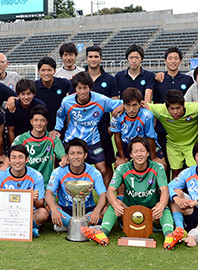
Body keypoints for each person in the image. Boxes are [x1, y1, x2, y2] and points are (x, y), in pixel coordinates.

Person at [81, 138, 184, 250]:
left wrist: (161, 205)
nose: (139, 154)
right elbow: (110, 191)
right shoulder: (123, 168)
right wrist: (115, 205)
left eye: (142, 151)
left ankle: (169, 235)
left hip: (153, 214)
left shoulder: (157, 168)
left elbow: (165, 191)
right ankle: (103, 232)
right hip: (129, 214)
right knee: (117, 203)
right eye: (135, 151)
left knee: (163, 207)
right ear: (130, 154)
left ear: (148, 153)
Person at [55, 71, 122, 182]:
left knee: (103, 169)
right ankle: (65, 194)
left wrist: (123, 105)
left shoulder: (100, 100)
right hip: (72, 140)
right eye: (79, 88)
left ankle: (105, 197)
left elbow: (120, 103)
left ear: (90, 88)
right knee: (67, 168)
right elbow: (60, 116)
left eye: (85, 88)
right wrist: (57, 129)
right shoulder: (67, 101)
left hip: (93, 140)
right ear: (75, 88)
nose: (82, 91)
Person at [0, 144, 48, 238]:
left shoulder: (36, 175)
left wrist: (33, 199)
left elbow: (40, 204)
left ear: (27, 159)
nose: (17, 161)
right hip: (6, 213)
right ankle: (29, 231)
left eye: (21, 157)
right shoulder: (0, 175)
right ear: (9, 160)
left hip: (28, 213)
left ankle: (3, 229)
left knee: (43, 213)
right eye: (13, 157)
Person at [46, 139, 107, 232]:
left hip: (87, 210)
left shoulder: (94, 172)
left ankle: (69, 226)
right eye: (72, 153)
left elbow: (103, 196)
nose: (76, 157)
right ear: (67, 156)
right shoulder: (58, 172)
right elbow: (48, 193)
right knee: (48, 207)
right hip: (66, 210)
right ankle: (87, 228)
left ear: (85, 155)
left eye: (79, 153)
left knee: (106, 209)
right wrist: (54, 208)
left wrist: (97, 210)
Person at [147, 90, 198, 178]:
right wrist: (121, 106)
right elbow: (139, 104)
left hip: (192, 145)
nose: (175, 112)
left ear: (183, 105)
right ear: (166, 107)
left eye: (178, 108)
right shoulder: (160, 110)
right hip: (173, 146)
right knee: (175, 173)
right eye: (172, 109)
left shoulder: (194, 108)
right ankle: (174, 191)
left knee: (193, 173)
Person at [85, 45, 119, 186]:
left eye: (96, 56)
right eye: (90, 56)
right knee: (79, 166)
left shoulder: (110, 80)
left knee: (106, 166)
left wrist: (112, 128)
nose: (93, 59)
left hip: (103, 130)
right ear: (86, 58)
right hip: (83, 132)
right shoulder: (80, 78)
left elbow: (116, 108)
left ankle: (107, 198)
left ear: (101, 58)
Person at [12, 105, 66, 186]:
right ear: (31, 121)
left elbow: (63, 156)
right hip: (26, 183)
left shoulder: (53, 138)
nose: (39, 123)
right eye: (36, 120)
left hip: (46, 185)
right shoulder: (21, 139)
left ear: (46, 122)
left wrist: (64, 160)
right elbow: (9, 158)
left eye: (42, 120)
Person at [110, 87, 161, 169]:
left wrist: (153, 157)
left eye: (134, 105)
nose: (131, 109)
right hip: (126, 143)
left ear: (140, 104)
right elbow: (117, 136)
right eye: (128, 105)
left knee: (161, 166)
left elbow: (150, 137)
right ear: (124, 104)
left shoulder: (147, 116)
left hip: (145, 143)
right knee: (120, 167)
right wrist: (122, 157)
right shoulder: (118, 115)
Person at [35, 56, 72, 131]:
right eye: (43, 70)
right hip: (40, 128)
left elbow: (76, 92)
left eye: (49, 70)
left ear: (54, 71)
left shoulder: (64, 83)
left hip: (60, 127)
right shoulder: (34, 86)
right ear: (39, 71)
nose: (46, 73)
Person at [5, 79, 46, 144]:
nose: (26, 97)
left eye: (29, 94)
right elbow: (11, 131)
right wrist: (14, 148)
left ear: (34, 94)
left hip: (36, 141)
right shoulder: (11, 107)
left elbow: (43, 128)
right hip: (19, 140)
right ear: (18, 95)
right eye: (23, 94)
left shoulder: (41, 105)